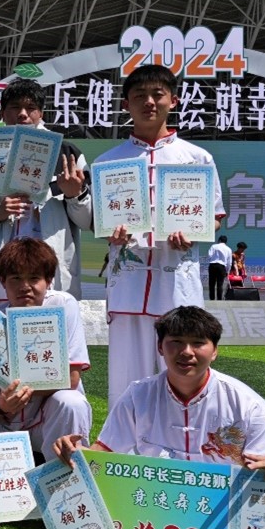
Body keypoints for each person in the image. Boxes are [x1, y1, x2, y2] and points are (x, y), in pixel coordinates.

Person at [100, 64, 224, 407]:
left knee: (183, 376)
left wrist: (194, 234)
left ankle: (185, 440)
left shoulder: (197, 158)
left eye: (158, 94)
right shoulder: (110, 162)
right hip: (127, 287)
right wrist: (112, 235)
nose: (149, 102)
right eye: (140, 95)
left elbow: (214, 219)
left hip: (177, 285)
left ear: (174, 100)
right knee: (126, 382)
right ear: (126, 104)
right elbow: (102, 223)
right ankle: (125, 441)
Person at [50, 306, 265, 478]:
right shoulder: (137, 395)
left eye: (198, 343)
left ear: (215, 351)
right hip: (157, 503)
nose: (186, 352)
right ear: (160, 347)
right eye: (176, 341)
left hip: (222, 507)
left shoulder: (248, 404)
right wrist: (77, 452)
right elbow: (105, 453)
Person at [0, 78, 91, 317]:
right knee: (2, 342)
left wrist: (75, 195)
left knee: (47, 340)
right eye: (14, 107)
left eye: (30, 108)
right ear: (2, 113)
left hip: (51, 281)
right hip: (0, 284)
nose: (22, 114)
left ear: (41, 113)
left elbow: (90, 222)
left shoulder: (68, 155)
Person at [0, 238, 91, 460]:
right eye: (15, 278)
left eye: (34, 278)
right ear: (3, 281)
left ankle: (69, 474)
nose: (25, 287)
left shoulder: (62, 305)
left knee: (71, 402)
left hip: (50, 418)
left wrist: (19, 393)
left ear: (49, 280)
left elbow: (71, 378)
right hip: (6, 422)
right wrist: (1, 405)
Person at [207, 235, 231, 300]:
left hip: (213, 265)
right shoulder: (228, 249)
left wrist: (212, 260)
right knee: (220, 284)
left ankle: (212, 299)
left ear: (219, 240)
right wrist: (227, 271)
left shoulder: (214, 246)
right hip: (222, 267)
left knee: (211, 284)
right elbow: (229, 262)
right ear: (226, 241)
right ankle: (219, 299)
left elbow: (209, 255)